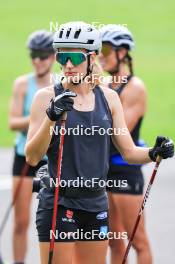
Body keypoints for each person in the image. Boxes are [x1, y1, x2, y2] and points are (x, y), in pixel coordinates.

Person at [25, 21, 174, 264]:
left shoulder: (109, 98)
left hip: (95, 203)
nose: (68, 65)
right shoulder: (46, 97)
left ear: (91, 57)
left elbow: (128, 152)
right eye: (62, 58)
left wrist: (154, 152)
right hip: (59, 204)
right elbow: (32, 156)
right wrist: (51, 118)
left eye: (74, 57)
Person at [99, 24, 152, 264]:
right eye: (99, 50)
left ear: (122, 53)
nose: (101, 56)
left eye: (107, 50)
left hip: (126, 170)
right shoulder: (109, 87)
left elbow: (117, 134)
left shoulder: (135, 87)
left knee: (137, 241)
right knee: (113, 239)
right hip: (106, 170)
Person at [9, 30, 55, 264]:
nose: (38, 60)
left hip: (53, 160)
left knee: (52, 222)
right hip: (24, 158)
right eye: (33, 55)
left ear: (54, 56)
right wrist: (44, 116)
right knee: (21, 221)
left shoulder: (60, 85)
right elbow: (13, 122)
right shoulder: (22, 84)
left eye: (43, 55)